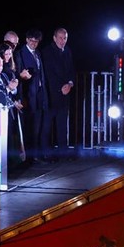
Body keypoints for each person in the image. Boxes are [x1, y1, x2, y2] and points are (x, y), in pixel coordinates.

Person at [14, 28, 50, 164]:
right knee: (30, 127)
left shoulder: (38, 53)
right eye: (32, 41)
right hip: (29, 95)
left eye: (36, 42)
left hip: (40, 93)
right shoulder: (21, 54)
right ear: (27, 40)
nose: (34, 44)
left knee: (38, 125)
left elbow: (41, 74)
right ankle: (29, 157)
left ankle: (36, 154)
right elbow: (19, 74)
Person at [42, 27, 75, 159]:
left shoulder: (67, 51)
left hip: (65, 94)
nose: (63, 41)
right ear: (54, 38)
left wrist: (70, 84)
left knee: (62, 124)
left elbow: (71, 69)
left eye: (65, 38)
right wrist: (59, 88)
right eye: (60, 38)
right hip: (51, 95)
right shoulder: (47, 52)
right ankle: (47, 153)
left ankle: (63, 152)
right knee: (47, 125)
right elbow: (48, 74)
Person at [0, 42, 25, 164]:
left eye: (9, 54)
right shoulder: (0, 69)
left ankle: (13, 160)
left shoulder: (10, 67)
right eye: (5, 54)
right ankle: (7, 162)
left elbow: (14, 85)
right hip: (6, 105)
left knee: (13, 133)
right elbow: (2, 89)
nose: (8, 56)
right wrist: (12, 99)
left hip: (12, 103)